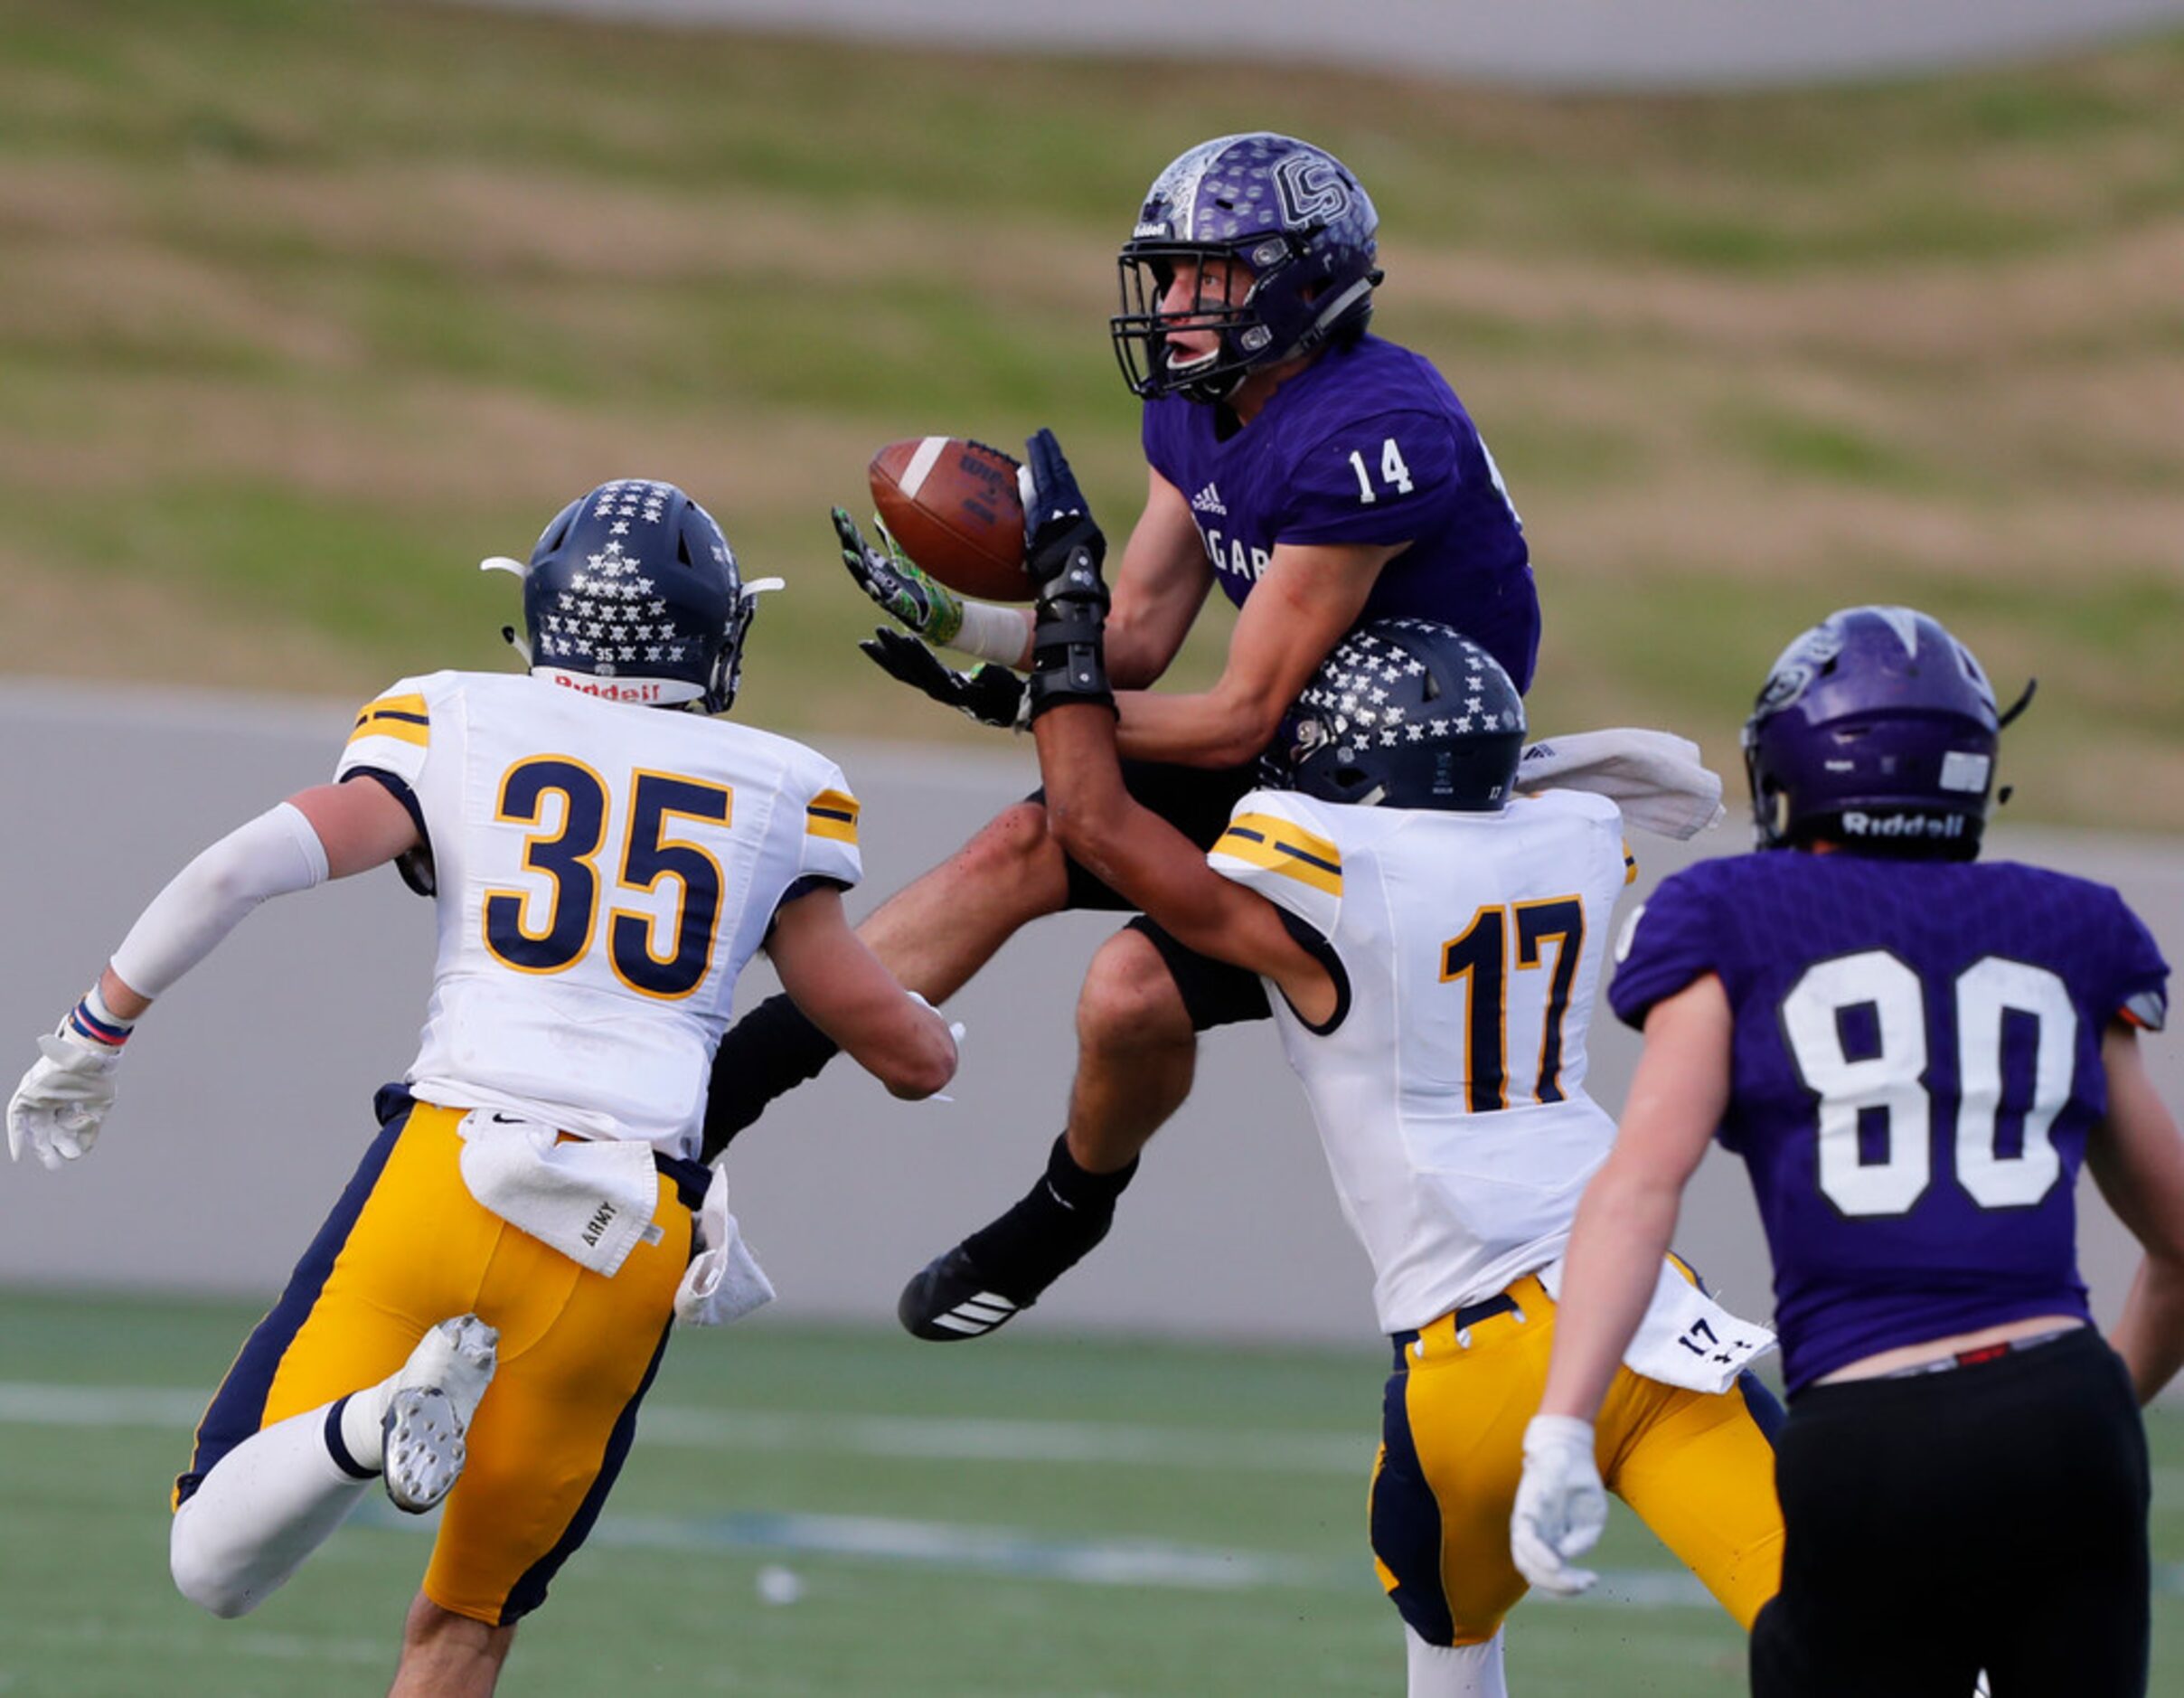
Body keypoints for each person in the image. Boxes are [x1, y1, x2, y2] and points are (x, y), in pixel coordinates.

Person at [5, 479, 957, 1698]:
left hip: (450, 1166)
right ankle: (393, 1418)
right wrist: (938, 1044)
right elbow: (900, 1050)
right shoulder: (780, 785)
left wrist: (96, 1029)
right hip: (625, 1232)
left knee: (211, 1562)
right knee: (465, 1625)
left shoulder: (454, 719)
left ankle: (372, 1422)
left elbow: (243, 865)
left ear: (546, 614)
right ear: (716, 630)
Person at [704, 132, 1541, 1341]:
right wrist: (984, 627)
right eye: (1173, 275)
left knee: (1128, 993)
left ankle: (1066, 1206)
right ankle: (717, 1092)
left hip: (1399, 800)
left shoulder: (1375, 427)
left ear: (1304, 282)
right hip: (1300, 743)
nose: (1179, 305)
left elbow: (1239, 711)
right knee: (1023, 842)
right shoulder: (1205, 404)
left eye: (1213, 276)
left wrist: (1033, 697)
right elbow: (1136, 634)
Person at [1002, 430, 1784, 1695]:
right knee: (1847, 1625)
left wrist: (1068, 627)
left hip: (1460, 1363)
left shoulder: (1330, 888)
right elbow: (1518, 799)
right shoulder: (1573, 838)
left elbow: (1092, 817)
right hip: (1635, 1308)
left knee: (1450, 1641)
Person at [1511, 607, 2184, 1696]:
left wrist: (1562, 1426)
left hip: (1874, 1429)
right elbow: (2179, 1243)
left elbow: (1640, 1187)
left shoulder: (1729, 913)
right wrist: (2093, 1401)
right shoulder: (2075, 928)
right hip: (2067, 1419)